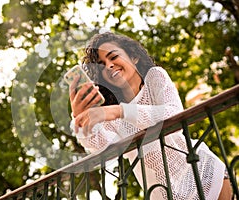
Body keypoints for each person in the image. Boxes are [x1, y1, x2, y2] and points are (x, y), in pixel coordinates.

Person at [68, 32, 232, 199]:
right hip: (163, 194)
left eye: (113, 57)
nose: (109, 65)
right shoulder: (108, 113)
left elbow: (173, 113)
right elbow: (100, 149)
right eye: (102, 65)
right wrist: (79, 117)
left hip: (202, 172)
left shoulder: (155, 77)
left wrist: (120, 111)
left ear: (134, 57)